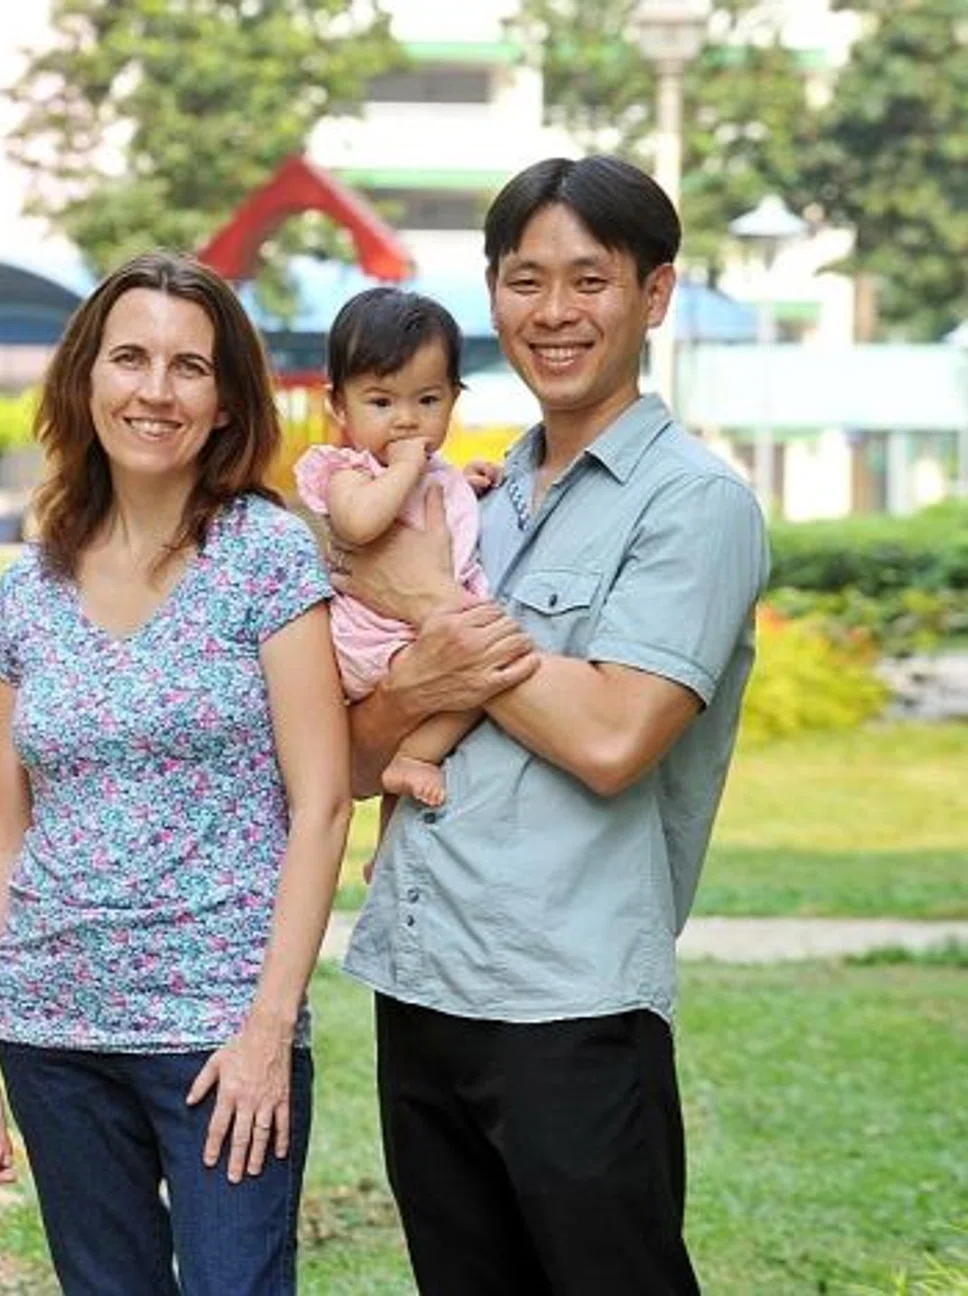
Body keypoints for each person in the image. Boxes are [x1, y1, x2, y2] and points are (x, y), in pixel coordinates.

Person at [333, 155, 770, 1293]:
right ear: (493, 296)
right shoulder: (469, 496)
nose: (555, 313)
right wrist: (421, 667)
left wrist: (428, 603)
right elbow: (354, 756)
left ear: (655, 295)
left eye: (591, 280)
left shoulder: (694, 504)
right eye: (526, 281)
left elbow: (616, 738)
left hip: (569, 1005)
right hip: (421, 981)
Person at [0, 250, 353, 1295]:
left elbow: (319, 807)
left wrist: (271, 1028)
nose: (156, 390)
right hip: (52, 1030)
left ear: (225, 404)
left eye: (190, 367)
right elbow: (5, 831)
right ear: (86, 382)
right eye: (130, 358)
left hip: (218, 1035)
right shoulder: (28, 593)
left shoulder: (266, 556)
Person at [293, 286, 489, 814]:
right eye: (381, 402)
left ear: (453, 397)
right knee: (480, 680)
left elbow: (435, 514)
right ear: (340, 404)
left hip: (418, 625)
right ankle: (416, 758)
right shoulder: (347, 474)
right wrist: (406, 469)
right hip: (375, 639)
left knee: (470, 688)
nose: (406, 421)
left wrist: (463, 485)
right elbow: (360, 525)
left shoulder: (433, 471)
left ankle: (392, 839)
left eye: (428, 401)